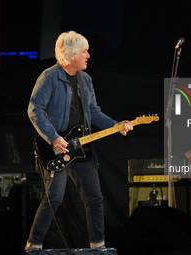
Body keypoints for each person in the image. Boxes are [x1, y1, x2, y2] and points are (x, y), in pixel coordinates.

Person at [25, 31, 133, 250]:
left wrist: (115, 125)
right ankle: (33, 245)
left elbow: (94, 112)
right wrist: (53, 138)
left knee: (94, 198)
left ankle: (98, 247)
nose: (88, 55)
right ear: (71, 53)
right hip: (56, 147)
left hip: (82, 147)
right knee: (54, 198)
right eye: (84, 51)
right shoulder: (49, 77)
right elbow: (34, 110)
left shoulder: (85, 79)